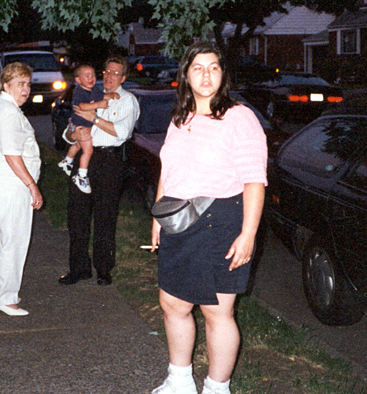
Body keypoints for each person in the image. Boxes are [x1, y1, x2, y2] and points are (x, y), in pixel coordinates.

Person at [149, 42, 267, 394]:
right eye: (198, 67)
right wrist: (158, 217)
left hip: (222, 220)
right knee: (172, 302)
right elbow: (167, 171)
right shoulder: (180, 117)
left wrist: (248, 235)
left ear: (222, 74)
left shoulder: (239, 117)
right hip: (179, 220)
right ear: (185, 74)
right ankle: (180, 381)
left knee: (217, 310)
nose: (206, 74)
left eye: (213, 67)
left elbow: (254, 182)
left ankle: (217, 388)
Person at [58, 55, 140, 286]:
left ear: (123, 77)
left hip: (109, 161)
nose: (109, 76)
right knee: (77, 216)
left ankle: (103, 269)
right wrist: (73, 135)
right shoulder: (89, 93)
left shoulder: (128, 101)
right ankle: (79, 268)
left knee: (105, 216)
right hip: (84, 160)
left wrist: (92, 117)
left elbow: (121, 132)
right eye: (106, 71)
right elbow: (69, 130)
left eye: (115, 73)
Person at [0, 62, 43, 316]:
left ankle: (5, 295)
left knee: (11, 238)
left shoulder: (0, 104)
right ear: (6, 85)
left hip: (4, 180)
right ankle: (5, 299)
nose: (25, 89)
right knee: (13, 239)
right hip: (10, 182)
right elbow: (11, 155)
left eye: (27, 83)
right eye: (20, 83)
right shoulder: (7, 111)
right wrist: (32, 186)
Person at [57, 64, 119, 194]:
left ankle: (66, 161)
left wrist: (111, 95)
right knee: (88, 150)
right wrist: (98, 105)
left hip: (82, 124)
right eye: (87, 76)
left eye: (93, 75)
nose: (91, 78)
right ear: (78, 80)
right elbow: (82, 106)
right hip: (81, 125)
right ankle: (81, 176)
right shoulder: (80, 92)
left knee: (79, 145)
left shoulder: (94, 90)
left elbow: (102, 97)